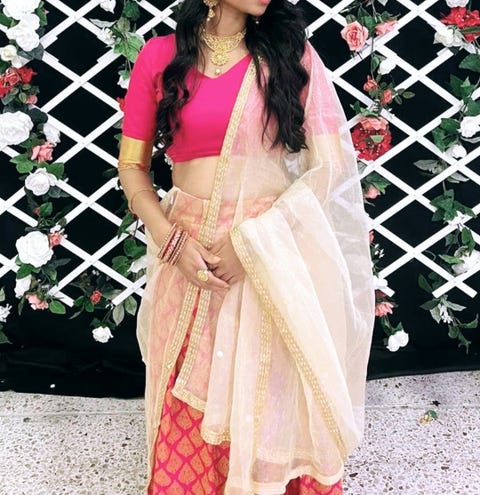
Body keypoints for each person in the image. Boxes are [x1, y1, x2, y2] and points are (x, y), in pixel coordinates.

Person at [117, 0, 376, 494]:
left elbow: (331, 166)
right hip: (186, 247)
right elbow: (132, 168)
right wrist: (171, 241)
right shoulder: (160, 56)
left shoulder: (288, 53)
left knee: (263, 385)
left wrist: (254, 245)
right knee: (185, 386)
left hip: (267, 248)